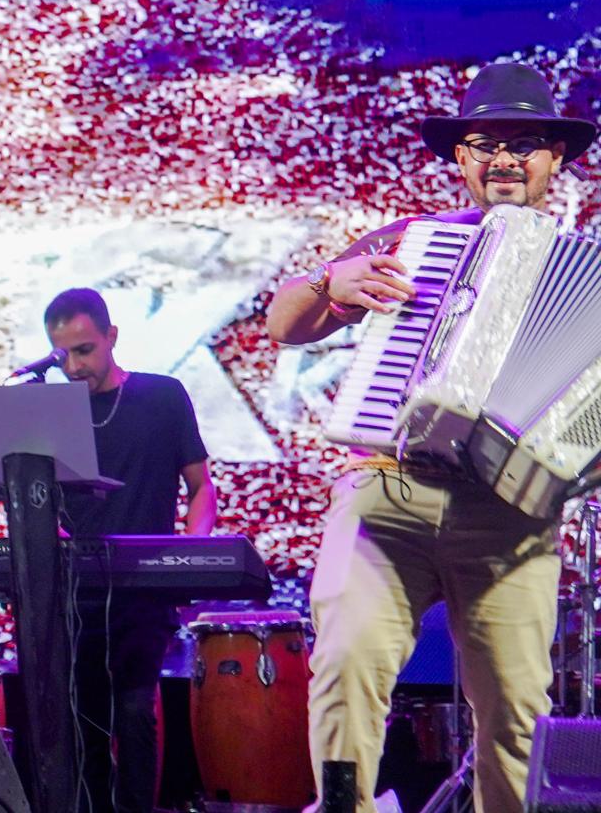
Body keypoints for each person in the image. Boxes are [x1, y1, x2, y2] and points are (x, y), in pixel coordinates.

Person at [269, 62, 587, 812]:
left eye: (525, 143)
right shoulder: (410, 240)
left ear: (554, 159)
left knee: (518, 714)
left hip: (511, 513)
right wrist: (329, 284)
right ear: (462, 159)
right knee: (345, 667)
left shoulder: (583, 267)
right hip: (388, 488)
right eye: (486, 144)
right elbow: (285, 324)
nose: (504, 159)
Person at [42, 287, 217, 813]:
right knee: (83, 723)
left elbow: (201, 489)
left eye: (85, 351)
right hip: (75, 595)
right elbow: (37, 505)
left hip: (145, 589)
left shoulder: (162, 397)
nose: (74, 367)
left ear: (111, 337)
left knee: (136, 710)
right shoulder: (50, 413)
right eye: (62, 355)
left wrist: (191, 561)